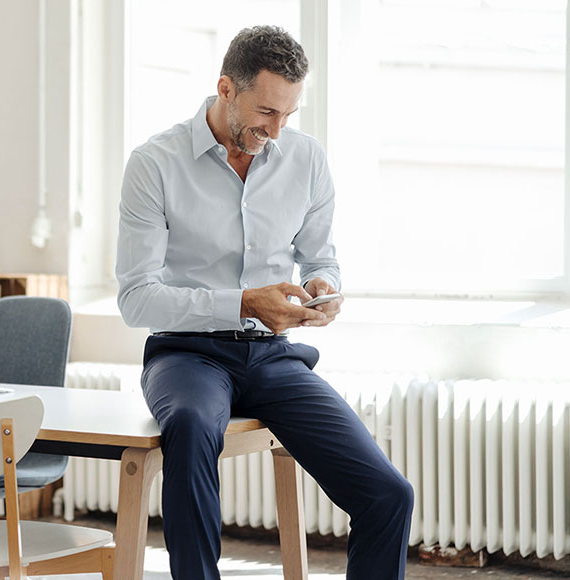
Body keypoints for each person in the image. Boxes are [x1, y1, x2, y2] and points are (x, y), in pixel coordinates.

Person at [116, 25, 413, 580]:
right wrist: (244, 301)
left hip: (273, 357)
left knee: (389, 494)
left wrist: (324, 288)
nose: (276, 130)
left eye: (288, 115)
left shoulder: (306, 160)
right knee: (189, 424)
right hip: (187, 356)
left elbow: (320, 258)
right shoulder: (155, 164)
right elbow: (137, 299)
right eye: (266, 112)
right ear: (226, 88)